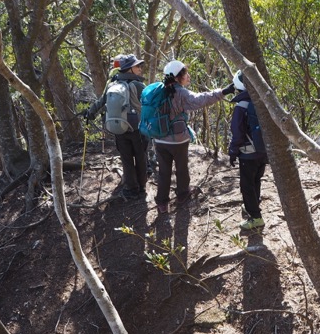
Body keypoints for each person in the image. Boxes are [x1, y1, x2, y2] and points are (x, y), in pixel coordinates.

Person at [153, 60, 235, 215]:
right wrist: (224, 91)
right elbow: (200, 99)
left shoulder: (157, 89)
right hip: (178, 140)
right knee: (181, 168)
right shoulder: (181, 93)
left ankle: (162, 203)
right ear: (178, 77)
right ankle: (182, 194)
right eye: (186, 73)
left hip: (159, 138)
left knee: (164, 171)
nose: (188, 76)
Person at [85, 54, 148, 199]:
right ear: (130, 69)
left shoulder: (112, 84)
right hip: (137, 128)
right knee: (140, 156)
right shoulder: (138, 85)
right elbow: (149, 105)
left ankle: (131, 188)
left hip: (118, 126)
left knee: (126, 158)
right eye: (137, 66)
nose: (140, 68)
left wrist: (90, 113)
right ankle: (142, 187)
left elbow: (101, 101)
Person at [228, 71, 268, 230]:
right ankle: (254, 204)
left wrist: (233, 152)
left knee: (247, 185)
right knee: (256, 180)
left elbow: (237, 134)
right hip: (262, 151)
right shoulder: (262, 102)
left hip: (248, 153)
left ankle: (256, 217)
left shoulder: (241, 107)